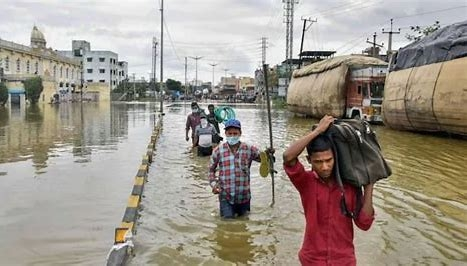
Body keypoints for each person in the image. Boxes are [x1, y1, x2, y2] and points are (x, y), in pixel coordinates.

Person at [282, 115, 375, 266]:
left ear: (336, 158)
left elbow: (364, 224)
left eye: (328, 160)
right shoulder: (306, 182)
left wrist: (369, 185)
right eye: (318, 162)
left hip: (344, 261)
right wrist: (317, 131)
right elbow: (288, 156)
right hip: (312, 259)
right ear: (309, 160)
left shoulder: (351, 186)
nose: (325, 167)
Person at [208, 118, 271, 219]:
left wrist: (268, 154)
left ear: (240, 133)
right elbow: (211, 170)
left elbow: (263, 159)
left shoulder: (249, 149)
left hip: (244, 197)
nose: (232, 136)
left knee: (244, 223)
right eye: (230, 133)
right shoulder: (218, 151)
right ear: (225, 133)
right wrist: (214, 185)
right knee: (227, 225)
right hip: (226, 196)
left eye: (235, 133)